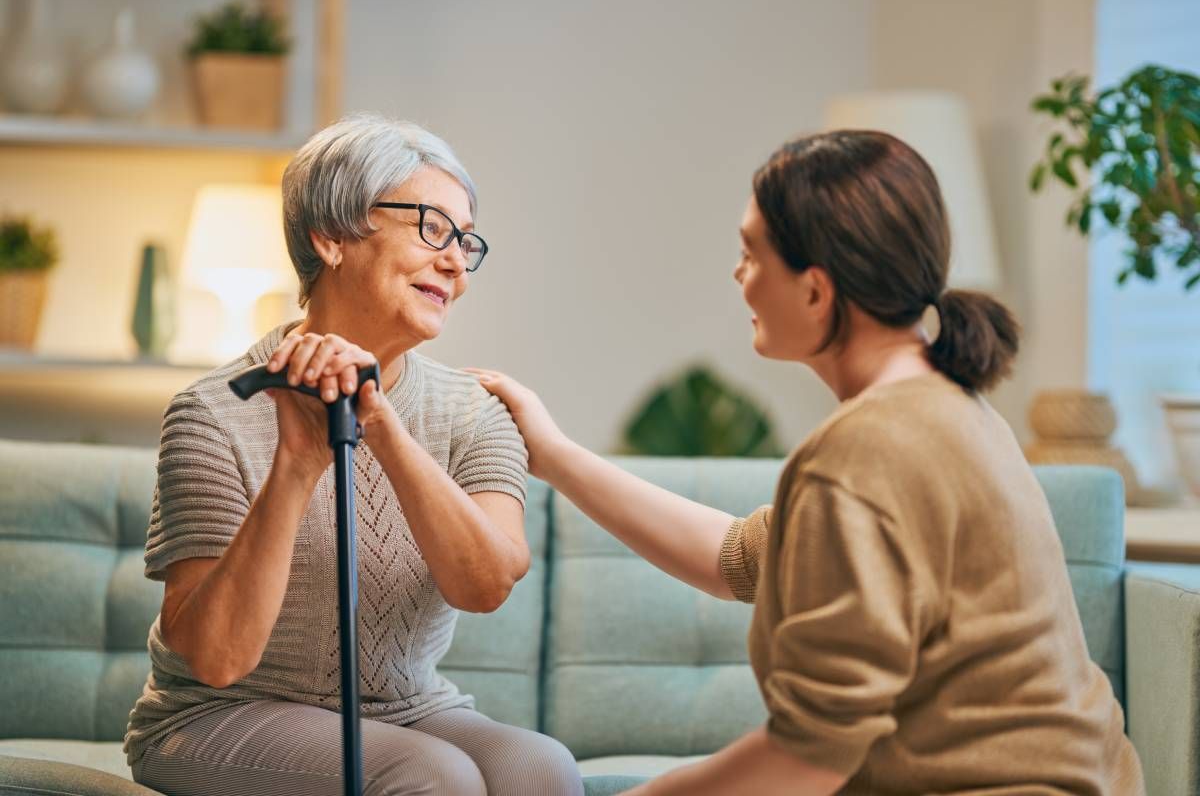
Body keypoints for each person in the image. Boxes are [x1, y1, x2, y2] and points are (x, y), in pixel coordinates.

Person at [470, 130, 1145, 795]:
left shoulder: (868, 448)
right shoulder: (949, 408)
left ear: (816, 291)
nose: (739, 276)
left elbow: (809, 755)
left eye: (750, 254)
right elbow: (735, 557)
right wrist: (552, 455)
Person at [124, 114, 583, 796]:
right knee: (435, 777)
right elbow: (217, 659)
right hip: (221, 714)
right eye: (431, 227)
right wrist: (298, 461)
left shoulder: (473, 410)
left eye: (465, 240)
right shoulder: (213, 412)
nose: (456, 261)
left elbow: (484, 584)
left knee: (541, 770)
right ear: (331, 236)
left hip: (410, 707)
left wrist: (382, 424)